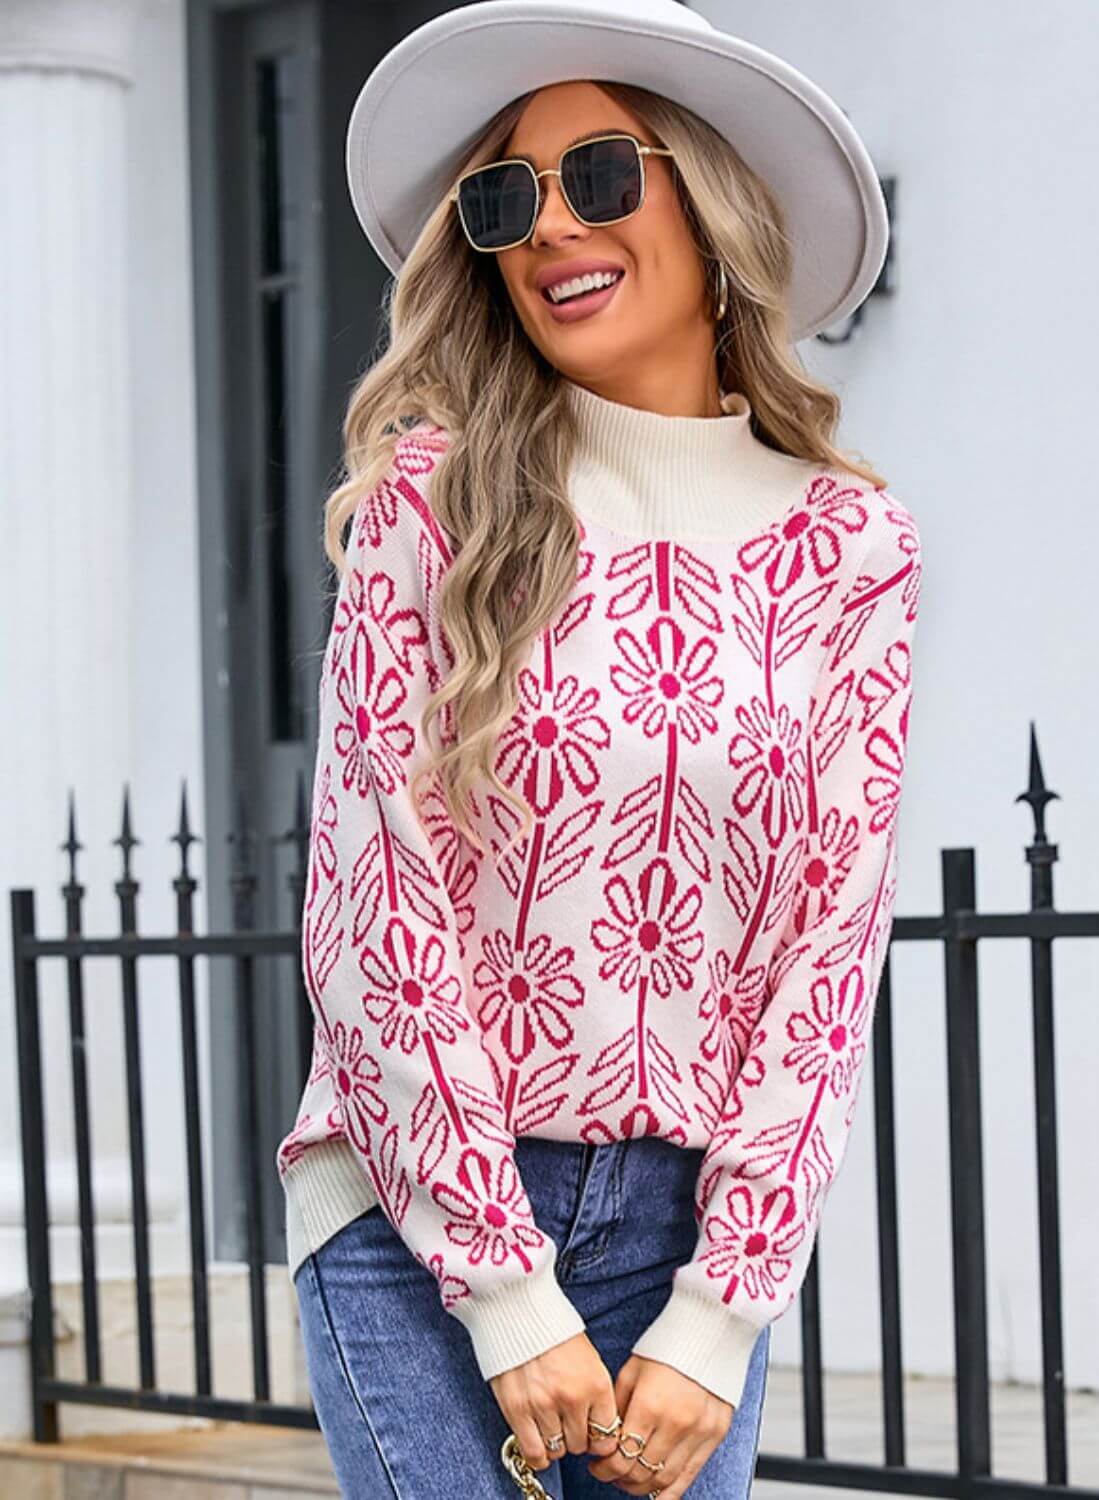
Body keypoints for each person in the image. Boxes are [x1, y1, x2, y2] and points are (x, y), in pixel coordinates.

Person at [275, 2, 923, 1496]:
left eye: (602, 175)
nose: (547, 224)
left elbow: (825, 953)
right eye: (504, 197)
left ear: (713, 205)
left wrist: (722, 1311)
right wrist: (499, 1283)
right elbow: (376, 908)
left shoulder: (848, 546)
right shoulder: (431, 504)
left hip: (689, 1235)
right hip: (412, 1216)